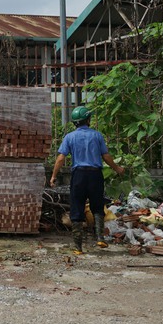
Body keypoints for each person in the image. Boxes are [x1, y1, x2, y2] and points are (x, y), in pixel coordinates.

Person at [49, 106, 125, 253]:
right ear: (88, 120)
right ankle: (100, 238)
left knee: (77, 207)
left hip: (78, 176)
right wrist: (117, 168)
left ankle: (78, 247)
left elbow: (60, 158)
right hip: (95, 175)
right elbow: (106, 156)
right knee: (97, 206)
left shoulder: (69, 137)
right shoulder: (97, 136)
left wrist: (53, 176)